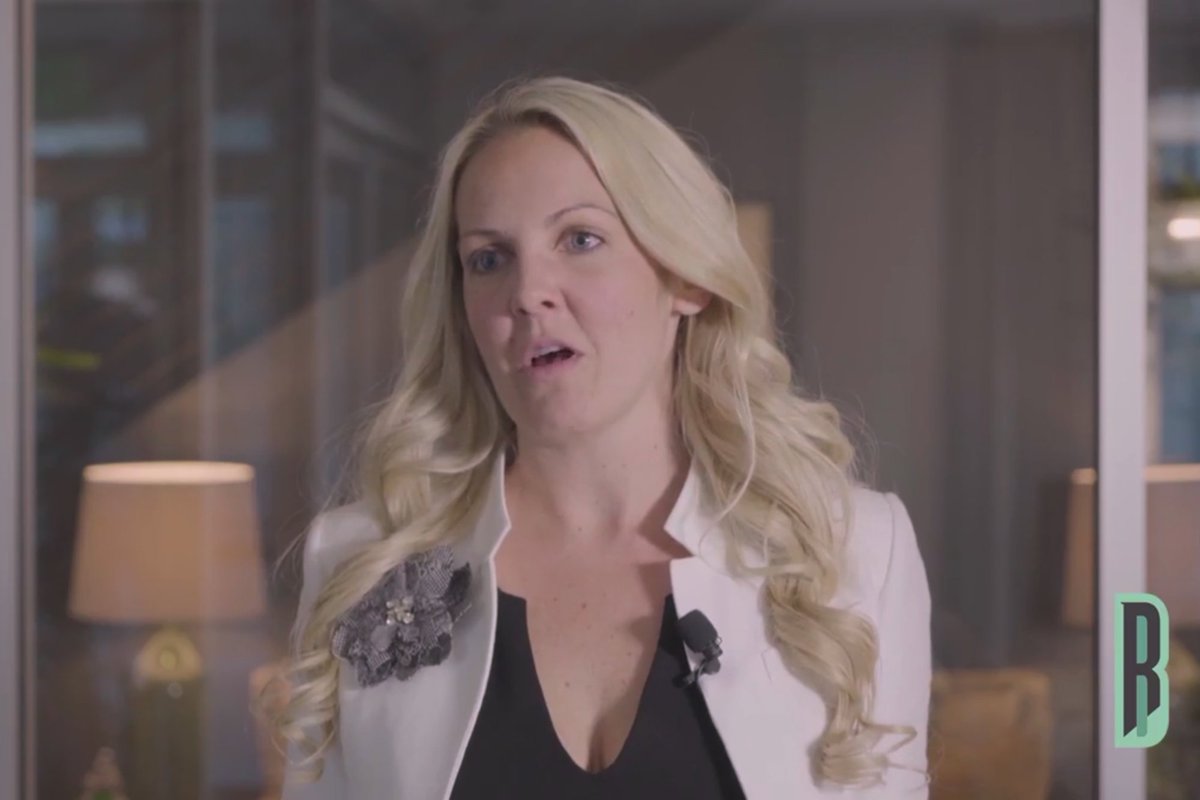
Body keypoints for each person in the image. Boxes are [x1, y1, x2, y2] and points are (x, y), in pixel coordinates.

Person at [271, 75, 932, 799]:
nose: (528, 292)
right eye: (488, 258)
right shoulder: (359, 563)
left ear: (686, 278)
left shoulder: (854, 553)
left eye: (580, 239)